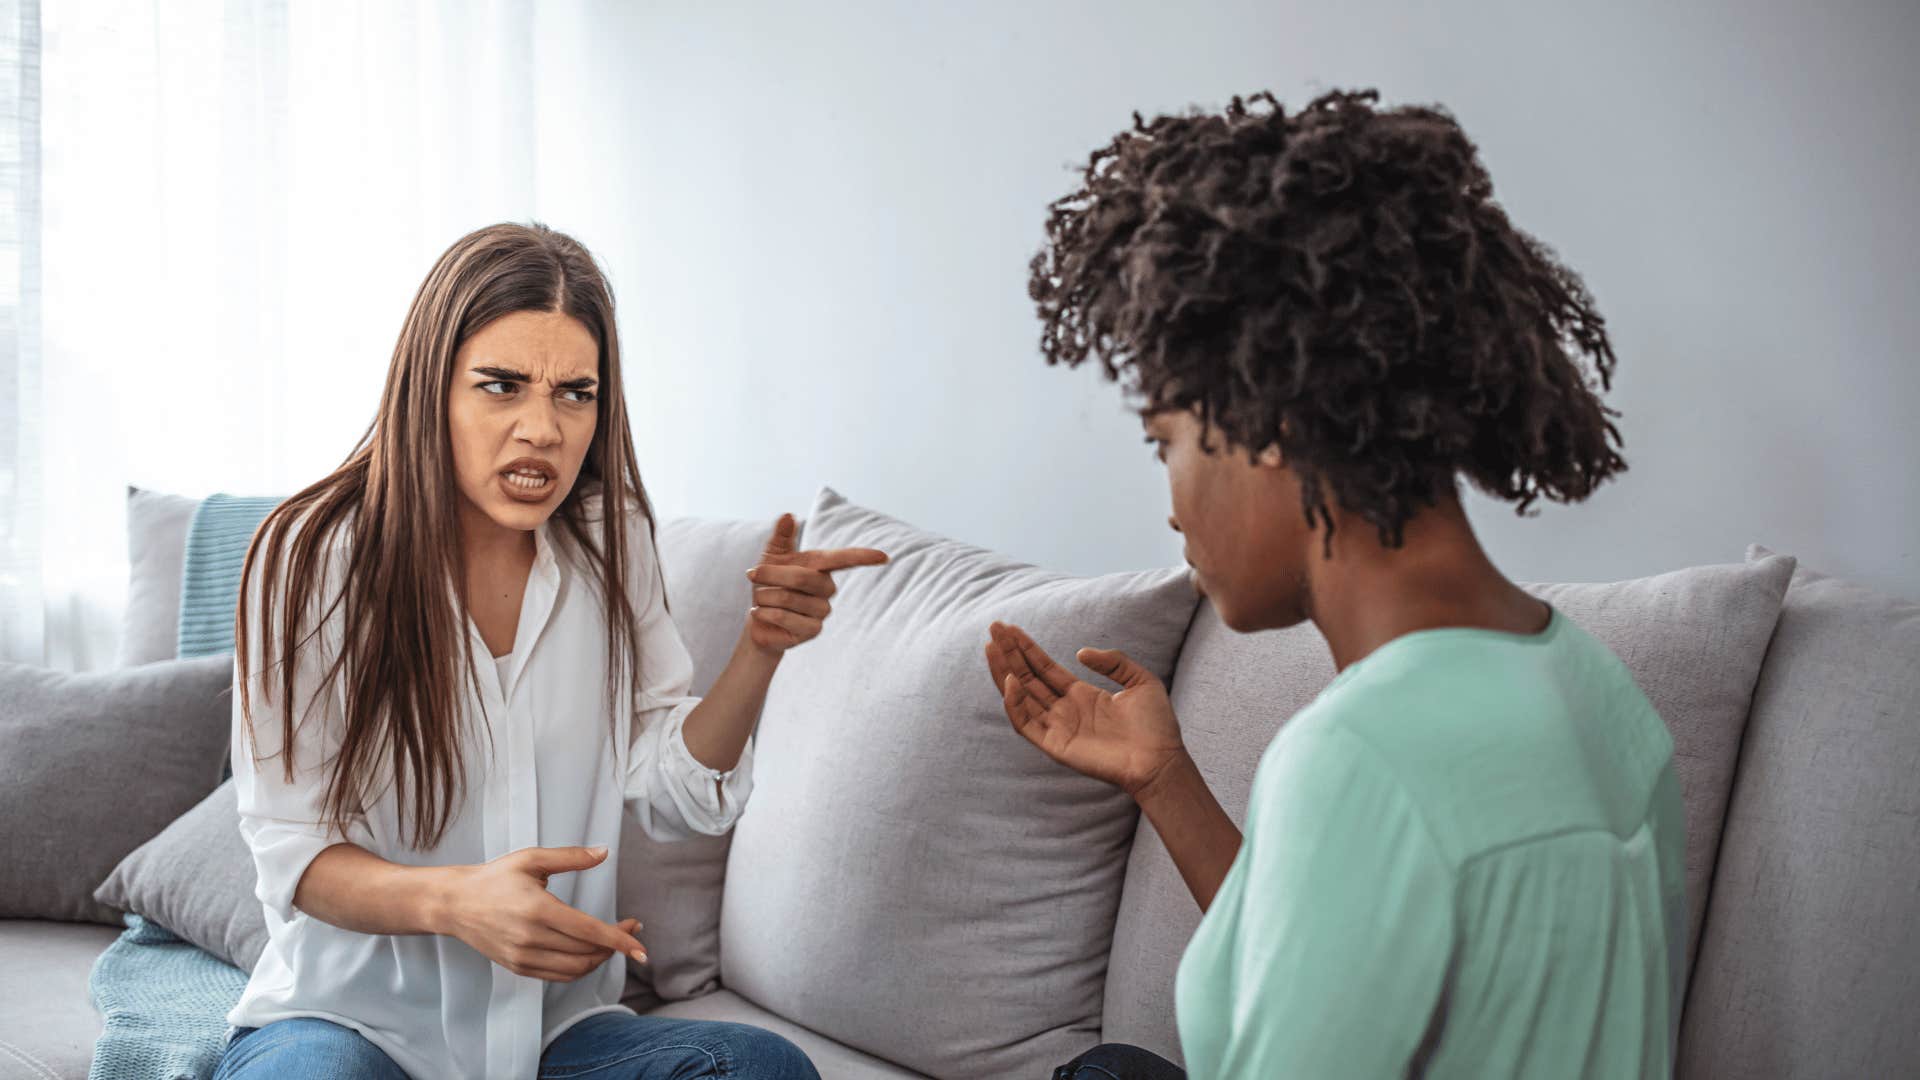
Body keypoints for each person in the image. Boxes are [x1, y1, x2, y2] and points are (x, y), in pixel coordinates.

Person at [985, 89, 1685, 1079]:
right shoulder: (1594, 690)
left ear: (1266, 420)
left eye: (1168, 443)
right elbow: (1349, 966)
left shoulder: (1362, 760)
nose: (1173, 506)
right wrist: (1164, 779)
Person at [217, 222, 885, 1079]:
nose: (543, 428)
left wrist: (760, 649)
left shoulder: (613, 541)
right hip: (346, 1027)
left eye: (576, 393)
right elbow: (290, 848)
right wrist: (457, 903)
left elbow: (674, 795)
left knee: (757, 1066)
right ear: (431, 390)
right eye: (501, 386)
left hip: (553, 1040)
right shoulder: (307, 555)